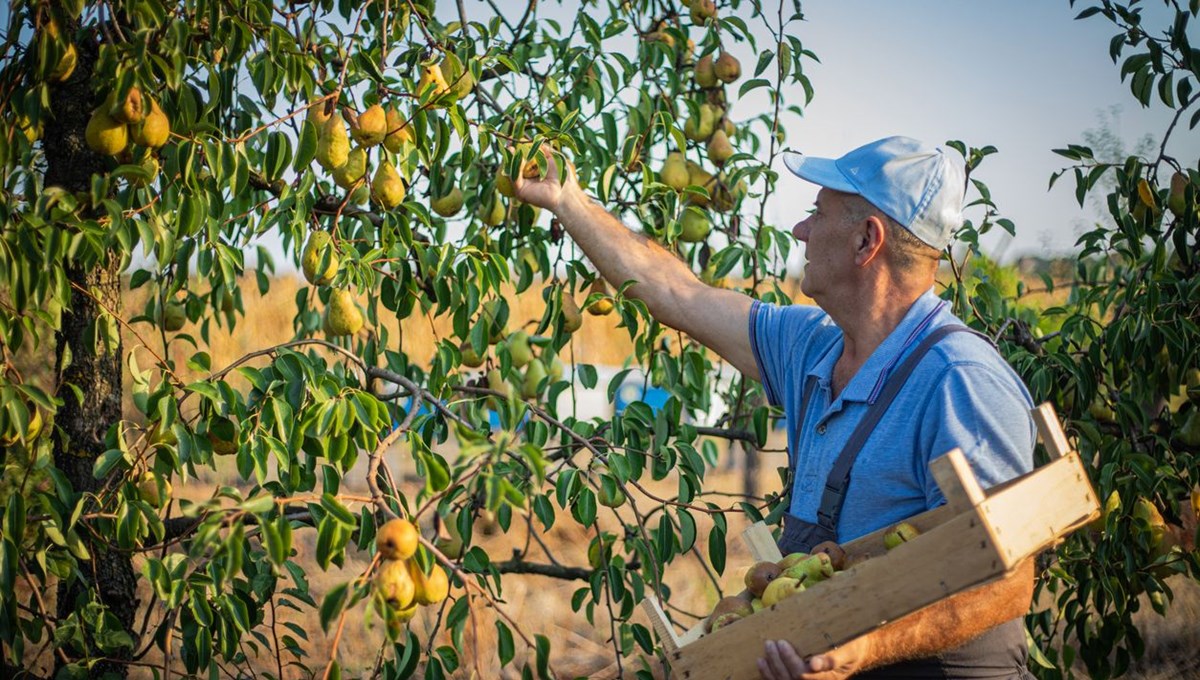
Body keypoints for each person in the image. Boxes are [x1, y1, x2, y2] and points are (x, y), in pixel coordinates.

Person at [514, 136, 1037, 680]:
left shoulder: (960, 382)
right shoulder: (813, 346)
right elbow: (677, 294)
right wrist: (567, 200)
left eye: (817, 213)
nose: (801, 230)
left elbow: (1006, 581)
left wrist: (864, 650)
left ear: (866, 240)